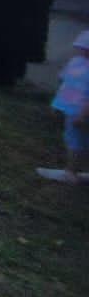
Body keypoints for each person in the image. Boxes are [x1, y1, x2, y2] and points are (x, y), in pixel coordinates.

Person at [38, 30, 89, 186]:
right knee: (77, 140)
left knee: (75, 142)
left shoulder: (76, 64)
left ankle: (71, 172)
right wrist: (57, 105)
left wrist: (83, 115)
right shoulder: (76, 63)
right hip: (73, 109)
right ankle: (75, 170)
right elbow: (65, 84)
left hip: (79, 112)